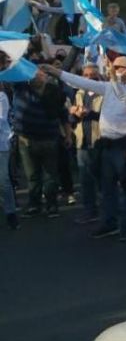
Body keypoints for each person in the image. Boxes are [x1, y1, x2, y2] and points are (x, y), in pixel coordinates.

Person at [46, 58, 126, 239]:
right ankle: (110, 223)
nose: (113, 70)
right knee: (107, 188)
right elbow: (82, 82)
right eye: (113, 66)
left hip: (125, 145)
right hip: (106, 144)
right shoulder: (109, 87)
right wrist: (56, 72)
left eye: (118, 67)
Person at [12, 65, 68, 219]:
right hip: (26, 140)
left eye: (40, 74)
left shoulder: (55, 92)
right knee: (32, 175)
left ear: (46, 76)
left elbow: (63, 115)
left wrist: (68, 135)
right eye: (33, 74)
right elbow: (12, 68)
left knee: (51, 175)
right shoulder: (21, 88)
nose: (37, 76)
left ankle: (52, 205)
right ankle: (34, 205)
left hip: (49, 139)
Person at [0, 88, 17, 229]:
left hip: (1, 144)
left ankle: (11, 212)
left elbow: (1, 119)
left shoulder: (1, 96)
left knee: (3, 180)